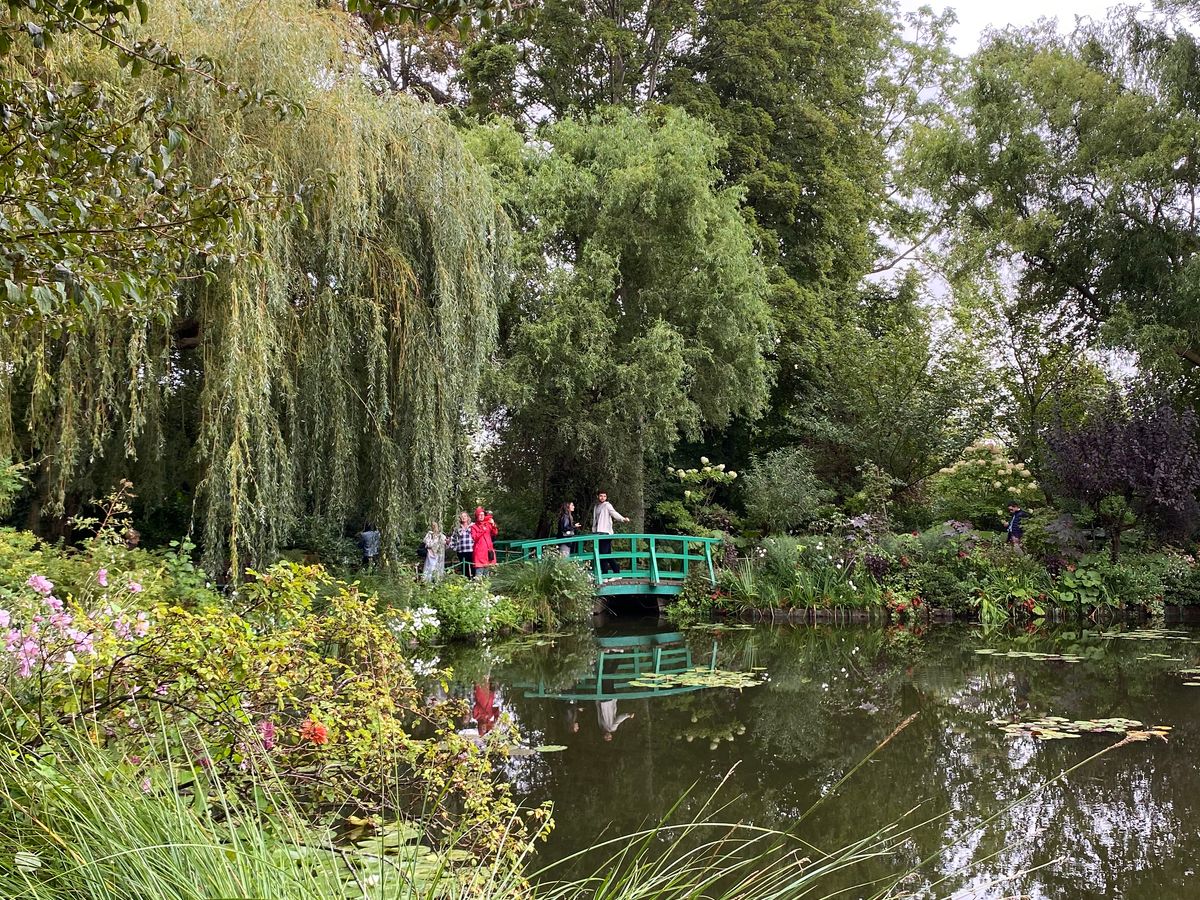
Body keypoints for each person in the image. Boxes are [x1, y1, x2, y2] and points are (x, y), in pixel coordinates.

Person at [591, 490, 628, 575]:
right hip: (598, 533)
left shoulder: (607, 505)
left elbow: (614, 513)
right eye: (601, 496)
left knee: (603, 554)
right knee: (606, 554)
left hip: (606, 533)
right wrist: (593, 530)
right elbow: (595, 520)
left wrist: (623, 519)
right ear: (597, 496)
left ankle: (606, 574)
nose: (602, 498)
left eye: (604, 496)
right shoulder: (596, 506)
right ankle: (615, 572)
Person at [470, 506, 498, 577]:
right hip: (479, 553)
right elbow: (474, 537)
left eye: (483, 514)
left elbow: (495, 533)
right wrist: (482, 529)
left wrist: (493, 524)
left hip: (489, 552)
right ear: (477, 516)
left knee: (488, 574)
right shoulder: (473, 527)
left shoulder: (487, 524)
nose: (481, 516)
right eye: (479, 515)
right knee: (479, 574)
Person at [449, 511, 474, 577]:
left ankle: (474, 580)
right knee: (464, 568)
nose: (463, 518)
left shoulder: (473, 526)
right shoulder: (457, 528)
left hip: (471, 550)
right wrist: (454, 547)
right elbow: (453, 538)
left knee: (473, 566)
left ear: (468, 517)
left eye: (465, 516)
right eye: (462, 517)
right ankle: (466, 580)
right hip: (461, 551)